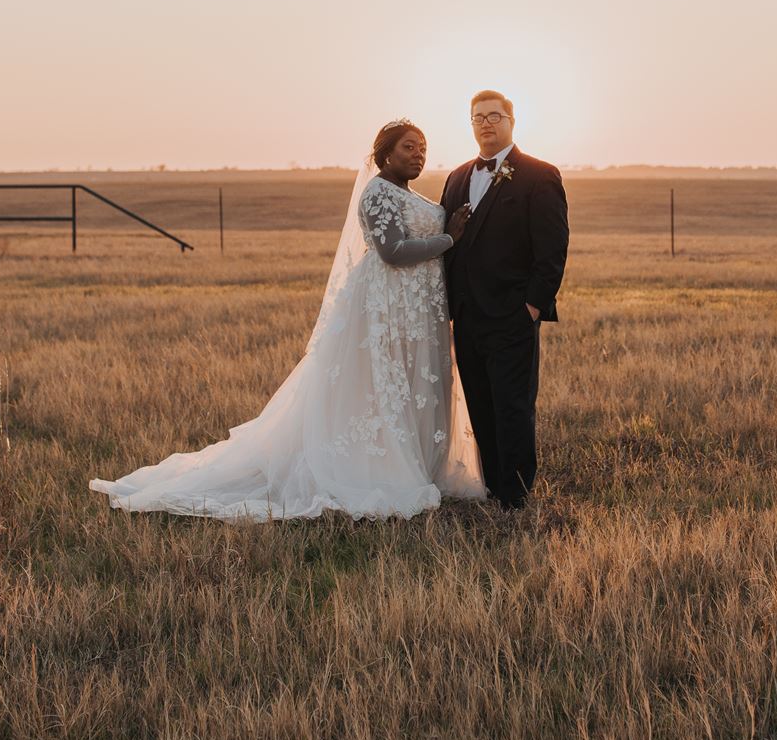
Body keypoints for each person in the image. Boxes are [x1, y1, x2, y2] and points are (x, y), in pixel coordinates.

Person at [89, 120, 484, 520]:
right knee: (385, 386)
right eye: (408, 147)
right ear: (385, 153)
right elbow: (393, 251)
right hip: (387, 308)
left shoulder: (408, 192)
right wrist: (450, 238)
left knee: (412, 383)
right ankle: (383, 469)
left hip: (415, 311)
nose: (418, 154)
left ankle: (420, 463)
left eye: (423, 147)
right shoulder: (377, 193)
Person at [438, 90, 569, 509]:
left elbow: (551, 250)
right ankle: (493, 485)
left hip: (512, 314)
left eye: (495, 116)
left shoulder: (539, 175)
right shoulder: (456, 177)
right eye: (478, 118)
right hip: (467, 316)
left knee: (512, 406)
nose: (486, 124)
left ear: (512, 121)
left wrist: (531, 307)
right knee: (479, 403)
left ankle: (516, 495)